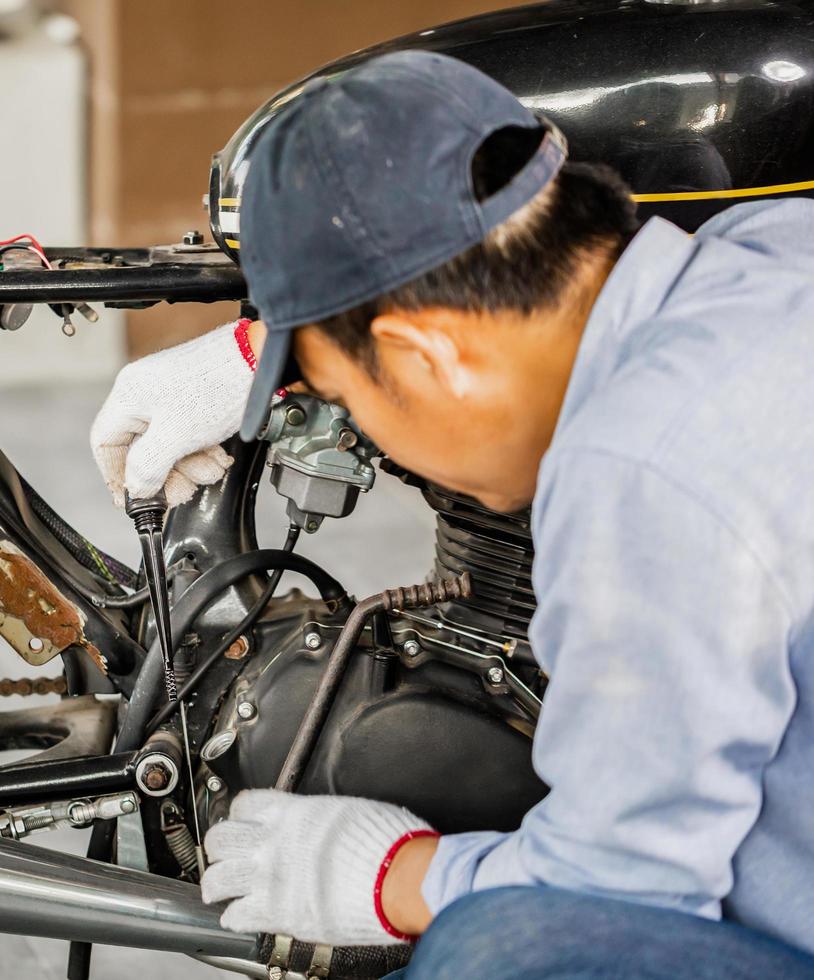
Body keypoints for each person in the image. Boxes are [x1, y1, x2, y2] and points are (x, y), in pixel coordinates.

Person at [89, 50, 814, 978]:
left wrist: (393, 877)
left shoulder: (642, 471)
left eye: (349, 396)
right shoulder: (769, 247)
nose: (363, 425)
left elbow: (609, 900)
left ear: (429, 356)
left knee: (495, 950)